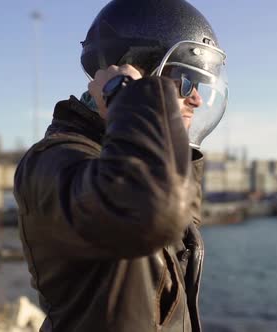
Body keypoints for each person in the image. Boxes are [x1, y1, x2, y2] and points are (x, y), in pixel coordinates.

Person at [13, 0, 228, 331]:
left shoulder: (139, 162)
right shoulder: (53, 162)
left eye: (199, 86)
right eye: (185, 80)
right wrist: (127, 96)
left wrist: (164, 134)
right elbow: (148, 212)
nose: (197, 99)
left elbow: (179, 215)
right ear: (130, 71)